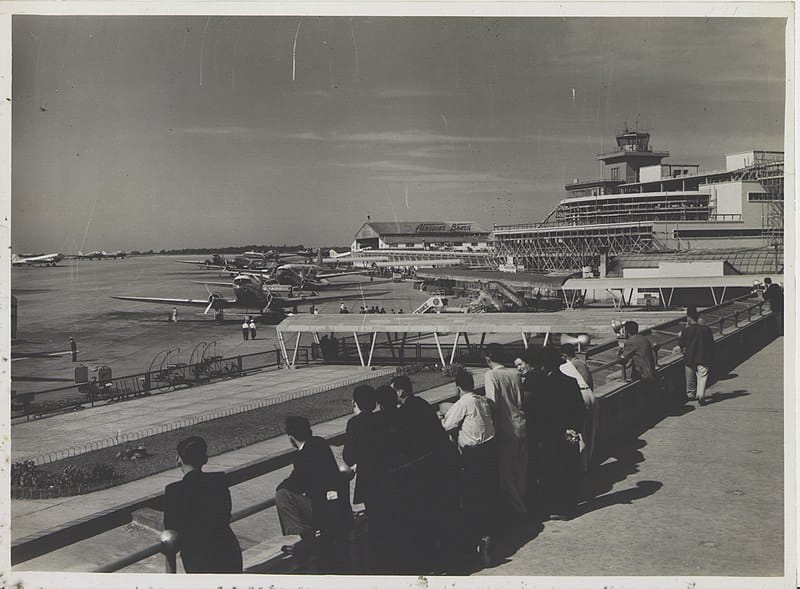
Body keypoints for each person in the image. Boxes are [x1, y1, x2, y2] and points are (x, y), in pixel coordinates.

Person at [275, 417, 352, 569]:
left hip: (324, 512)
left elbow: (294, 483)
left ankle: (301, 537)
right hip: (339, 507)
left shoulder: (301, 456)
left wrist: (282, 485)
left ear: (291, 438)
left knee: (282, 495)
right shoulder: (320, 443)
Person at [441, 368, 497, 565]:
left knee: (471, 497)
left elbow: (447, 425)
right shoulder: (482, 400)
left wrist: (444, 412)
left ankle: (477, 539)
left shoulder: (464, 402)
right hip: (489, 450)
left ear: (457, 388)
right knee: (485, 494)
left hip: (472, 454)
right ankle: (487, 533)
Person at [163, 436, 242, 573]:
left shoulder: (174, 491)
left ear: (179, 460)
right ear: (204, 459)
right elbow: (225, 515)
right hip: (228, 551)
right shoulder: (219, 481)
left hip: (198, 559)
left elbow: (170, 528)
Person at [533, 347, 586, 520]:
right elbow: (580, 409)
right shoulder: (570, 382)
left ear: (544, 366)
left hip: (549, 435)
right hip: (567, 433)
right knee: (569, 471)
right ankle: (568, 508)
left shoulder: (541, 384)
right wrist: (574, 429)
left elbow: (537, 413)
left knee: (550, 472)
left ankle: (552, 507)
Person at [484, 343, 528, 516]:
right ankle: (522, 501)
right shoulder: (515, 373)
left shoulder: (491, 375)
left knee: (506, 473)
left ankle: (519, 509)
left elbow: (492, 403)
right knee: (521, 469)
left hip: (505, 427)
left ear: (488, 359)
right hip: (522, 423)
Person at [560, 343, 599, 473]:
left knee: (580, 434)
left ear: (563, 356)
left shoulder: (570, 365)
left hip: (581, 395)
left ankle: (583, 468)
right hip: (590, 394)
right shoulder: (580, 362)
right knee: (591, 433)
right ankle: (588, 463)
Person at [342, 385, 378, 505]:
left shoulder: (354, 423)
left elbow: (348, 456)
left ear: (355, 403)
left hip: (367, 476)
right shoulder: (379, 418)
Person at [679, 306, 715, 406]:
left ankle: (690, 394)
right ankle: (701, 396)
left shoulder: (686, 330)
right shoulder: (706, 329)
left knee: (690, 378)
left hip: (689, 357)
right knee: (702, 377)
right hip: (703, 357)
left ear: (689, 318)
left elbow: (681, 344)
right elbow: (711, 344)